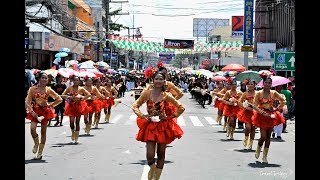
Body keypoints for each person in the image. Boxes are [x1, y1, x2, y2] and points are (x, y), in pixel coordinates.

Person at [132, 70, 185, 180]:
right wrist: (143, 115)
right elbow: (135, 105)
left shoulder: (167, 95)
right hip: (150, 126)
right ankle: (152, 168)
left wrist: (169, 117)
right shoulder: (147, 93)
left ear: (164, 81)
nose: (158, 81)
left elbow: (181, 107)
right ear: (153, 80)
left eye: (161, 79)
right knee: (150, 155)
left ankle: (156, 178)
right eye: (157, 79)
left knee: (161, 154)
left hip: (162, 126)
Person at [25, 71, 63, 160]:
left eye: (46, 78)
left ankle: (40, 152)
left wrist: (50, 105)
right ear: (39, 79)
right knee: (32, 129)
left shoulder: (48, 89)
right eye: (43, 77)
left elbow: (59, 99)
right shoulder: (32, 89)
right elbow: (27, 101)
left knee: (43, 131)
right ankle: (36, 143)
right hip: (35, 111)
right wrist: (31, 111)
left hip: (45, 112)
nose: (45, 79)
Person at [252, 75, 286, 163]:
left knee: (268, 137)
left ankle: (264, 157)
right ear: (263, 84)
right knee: (263, 136)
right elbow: (254, 106)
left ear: (271, 84)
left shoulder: (274, 92)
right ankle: (258, 149)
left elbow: (283, 101)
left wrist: (276, 108)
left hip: (271, 115)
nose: (267, 84)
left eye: (269, 83)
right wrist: (261, 112)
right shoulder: (258, 93)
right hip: (261, 115)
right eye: (266, 83)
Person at [62, 75, 91, 143]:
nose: (75, 81)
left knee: (77, 122)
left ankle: (76, 138)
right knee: (71, 122)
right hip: (71, 106)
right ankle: (73, 132)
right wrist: (69, 97)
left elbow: (88, 95)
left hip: (79, 106)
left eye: (77, 80)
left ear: (79, 81)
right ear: (72, 81)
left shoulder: (81, 88)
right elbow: (63, 95)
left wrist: (81, 98)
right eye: (74, 80)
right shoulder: (69, 88)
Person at [237, 79, 257, 149]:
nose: (250, 85)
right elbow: (239, 102)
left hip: (255, 113)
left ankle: (251, 144)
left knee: (253, 128)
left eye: (252, 84)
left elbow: (260, 102)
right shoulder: (245, 94)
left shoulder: (257, 93)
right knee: (248, 127)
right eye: (249, 84)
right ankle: (246, 139)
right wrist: (245, 106)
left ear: (255, 85)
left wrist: (256, 108)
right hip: (247, 113)